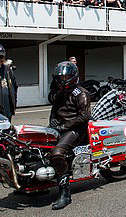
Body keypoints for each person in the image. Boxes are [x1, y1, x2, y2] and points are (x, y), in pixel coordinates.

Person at [48, 61, 91, 210]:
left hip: (76, 130)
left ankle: (65, 192)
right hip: (59, 127)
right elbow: (54, 111)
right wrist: (52, 122)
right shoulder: (60, 93)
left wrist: (65, 126)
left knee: (57, 154)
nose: (62, 79)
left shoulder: (81, 93)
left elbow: (85, 116)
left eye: (65, 76)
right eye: (60, 77)